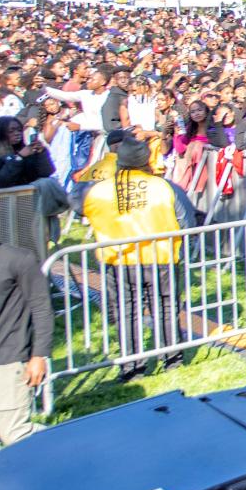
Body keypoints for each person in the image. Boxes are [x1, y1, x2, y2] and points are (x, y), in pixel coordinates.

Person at [83, 136, 193, 380]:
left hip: (119, 260)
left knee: (127, 311)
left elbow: (80, 206)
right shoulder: (162, 186)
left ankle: (132, 367)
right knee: (165, 308)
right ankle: (171, 358)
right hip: (161, 257)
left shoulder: (100, 190)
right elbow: (185, 220)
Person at [0, 209, 52, 453]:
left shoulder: (17, 259)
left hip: (8, 358)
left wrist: (39, 356)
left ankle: (61, 450)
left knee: (15, 433)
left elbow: (41, 308)